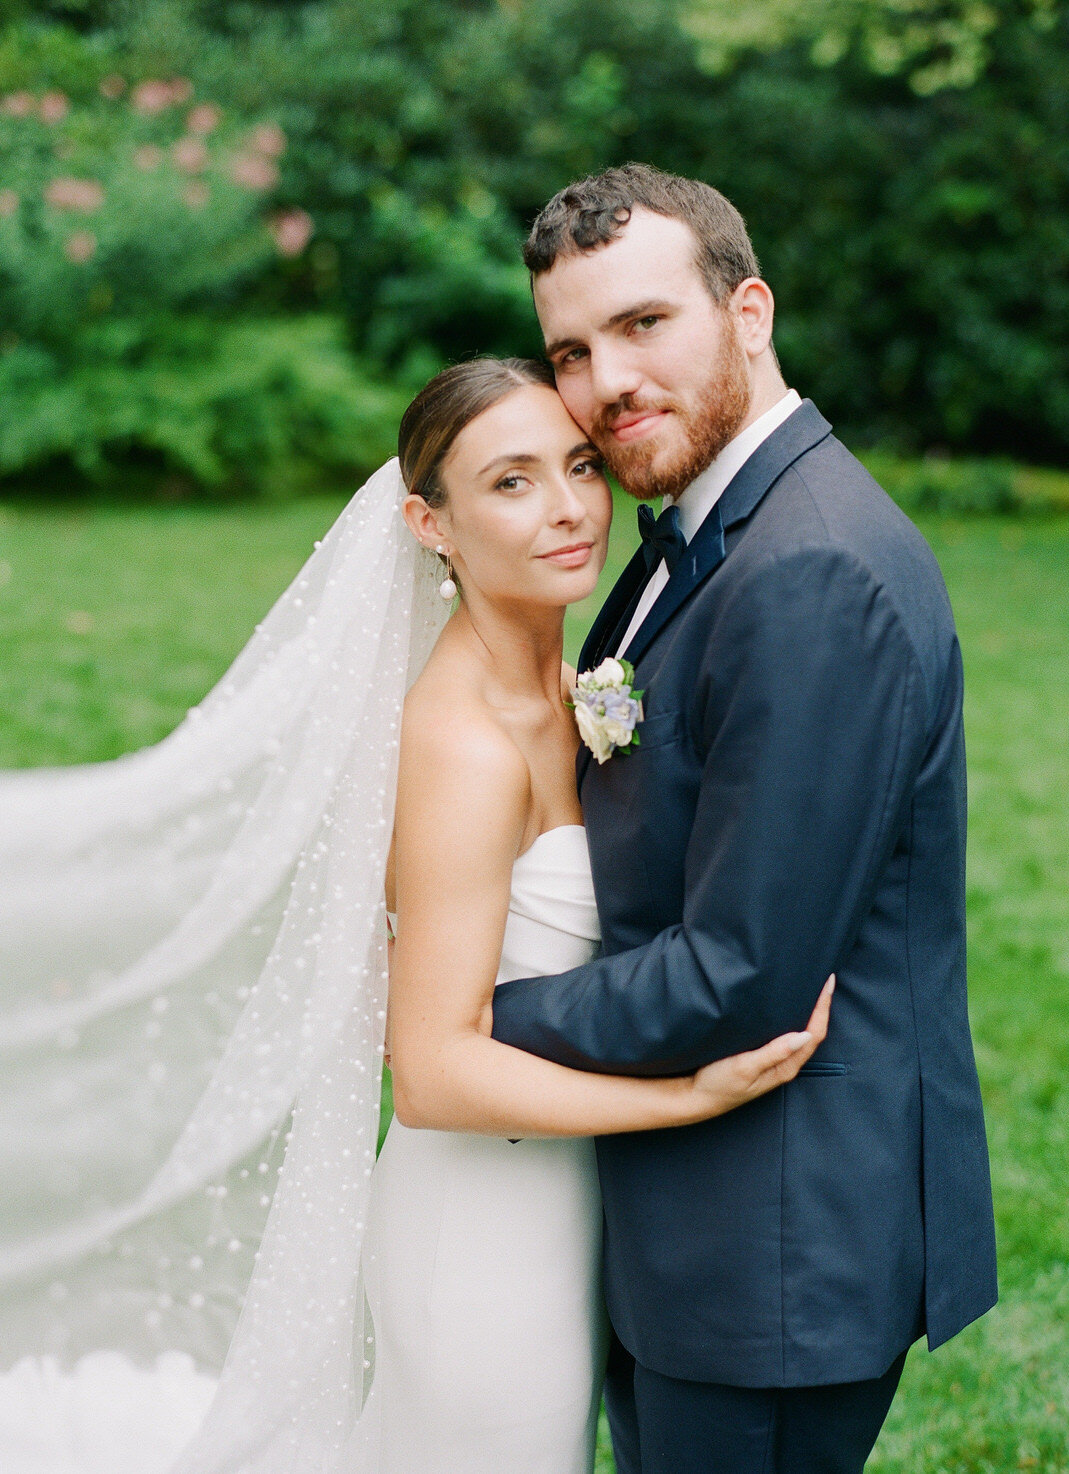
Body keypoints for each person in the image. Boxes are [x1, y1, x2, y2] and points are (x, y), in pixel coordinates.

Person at [0, 355, 831, 1474]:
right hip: (483, 1241)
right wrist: (689, 1097)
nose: (572, 508)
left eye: (580, 466)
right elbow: (433, 1073)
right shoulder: (461, 744)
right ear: (428, 523)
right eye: (512, 483)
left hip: (569, 1205)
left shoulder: (579, 682)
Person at [490, 163, 998, 1474]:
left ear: (749, 312)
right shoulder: (699, 537)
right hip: (696, 1216)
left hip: (771, 1242)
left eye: (645, 324)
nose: (606, 380)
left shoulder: (813, 567)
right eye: (573, 349)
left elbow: (745, 973)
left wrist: (475, 1019)